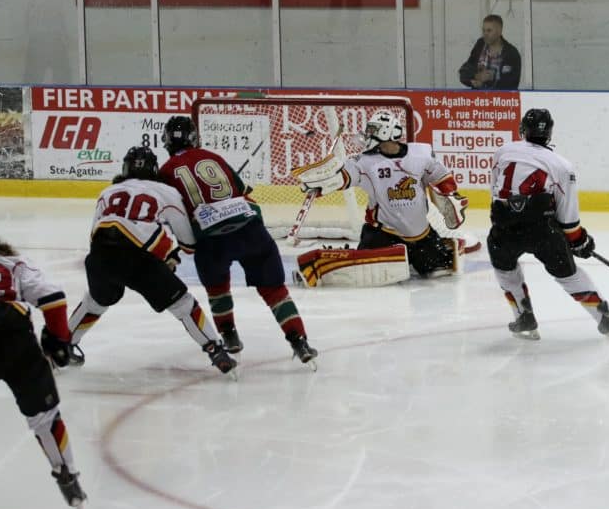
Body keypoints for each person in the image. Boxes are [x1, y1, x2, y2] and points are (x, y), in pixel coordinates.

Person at [157, 116, 318, 368]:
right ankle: (299, 341)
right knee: (274, 290)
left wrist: (185, 248)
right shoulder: (213, 157)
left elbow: (176, 215)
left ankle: (229, 335)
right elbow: (244, 194)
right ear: (195, 138)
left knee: (217, 288)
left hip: (211, 239)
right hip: (249, 227)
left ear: (166, 141)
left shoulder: (165, 173)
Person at [66, 146, 238, 376]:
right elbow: (187, 241)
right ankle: (215, 350)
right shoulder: (166, 191)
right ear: (155, 169)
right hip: (138, 259)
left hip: (100, 255)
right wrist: (172, 254)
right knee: (183, 304)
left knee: (96, 301)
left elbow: (95, 234)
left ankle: (60, 346)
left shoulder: (108, 192)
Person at [486, 108, 609, 340]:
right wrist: (579, 240)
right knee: (568, 275)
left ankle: (523, 315)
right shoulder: (561, 165)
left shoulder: (503, 152)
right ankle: (605, 319)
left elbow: (496, 190)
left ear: (522, 129)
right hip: (542, 230)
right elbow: (567, 214)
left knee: (505, 270)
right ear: (549, 133)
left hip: (504, 227)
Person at [295, 109, 471, 283]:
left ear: (386, 132)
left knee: (441, 269)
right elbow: (344, 177)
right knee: (363, 266)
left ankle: (409, 258)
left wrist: (450, 195)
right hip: (382, 233)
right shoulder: (364, 162)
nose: (368, 134)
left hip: (421, 235)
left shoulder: (420, 154)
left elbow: (442, 177)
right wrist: (323, 185)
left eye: (373, 130)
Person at [0, 220, 87, 509]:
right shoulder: (12, 263)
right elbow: (53, 298)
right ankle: (66, 474)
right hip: (15, 341)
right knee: (45, 417)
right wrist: (58, 341)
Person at [458, 14, 521, 90]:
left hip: (502, 100)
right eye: (483, 30)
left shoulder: (511, 53)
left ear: (499, 31)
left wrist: (492, 78)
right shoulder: (480, 45)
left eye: (489, 30)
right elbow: (465, 71)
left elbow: (513, 83)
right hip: (479, 100)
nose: (485, 34)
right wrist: (476, 77)